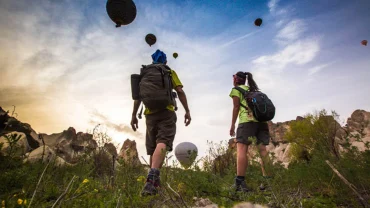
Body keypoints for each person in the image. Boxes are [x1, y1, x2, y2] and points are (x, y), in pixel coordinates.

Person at [130, 50, 191, 196]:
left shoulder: (145, 73)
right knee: (162, 141)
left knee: (152, 149)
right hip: (166, 111)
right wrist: (187, 110)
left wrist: (133, 115)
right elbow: (180, 91)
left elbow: (138, 97)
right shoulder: (168, 71)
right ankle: (152, 181)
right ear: (165, 61)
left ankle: (152, 183)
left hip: (149, 113)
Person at [229, 71, 272, 192]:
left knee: (242, 150)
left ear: (236, 80)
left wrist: (232, 124)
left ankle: (239, 183)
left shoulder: (236, 90)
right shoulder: (253, 90)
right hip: (261, 122)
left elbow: (236, 107)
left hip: (246, 122)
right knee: (263, 151)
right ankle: (268, 182)